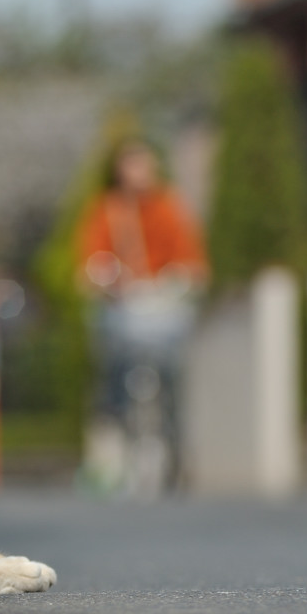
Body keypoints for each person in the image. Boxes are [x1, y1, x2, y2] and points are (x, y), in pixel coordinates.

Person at [75, 137, 209, 491]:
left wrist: (175, 281)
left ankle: (174, 446)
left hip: (162, 313)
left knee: (171, 375)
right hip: (123, 315)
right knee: (115, 373)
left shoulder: (167, 206)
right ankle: (115, 435)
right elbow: (91, 264)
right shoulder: (107, 209)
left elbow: (192, 262)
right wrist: (105, 278)